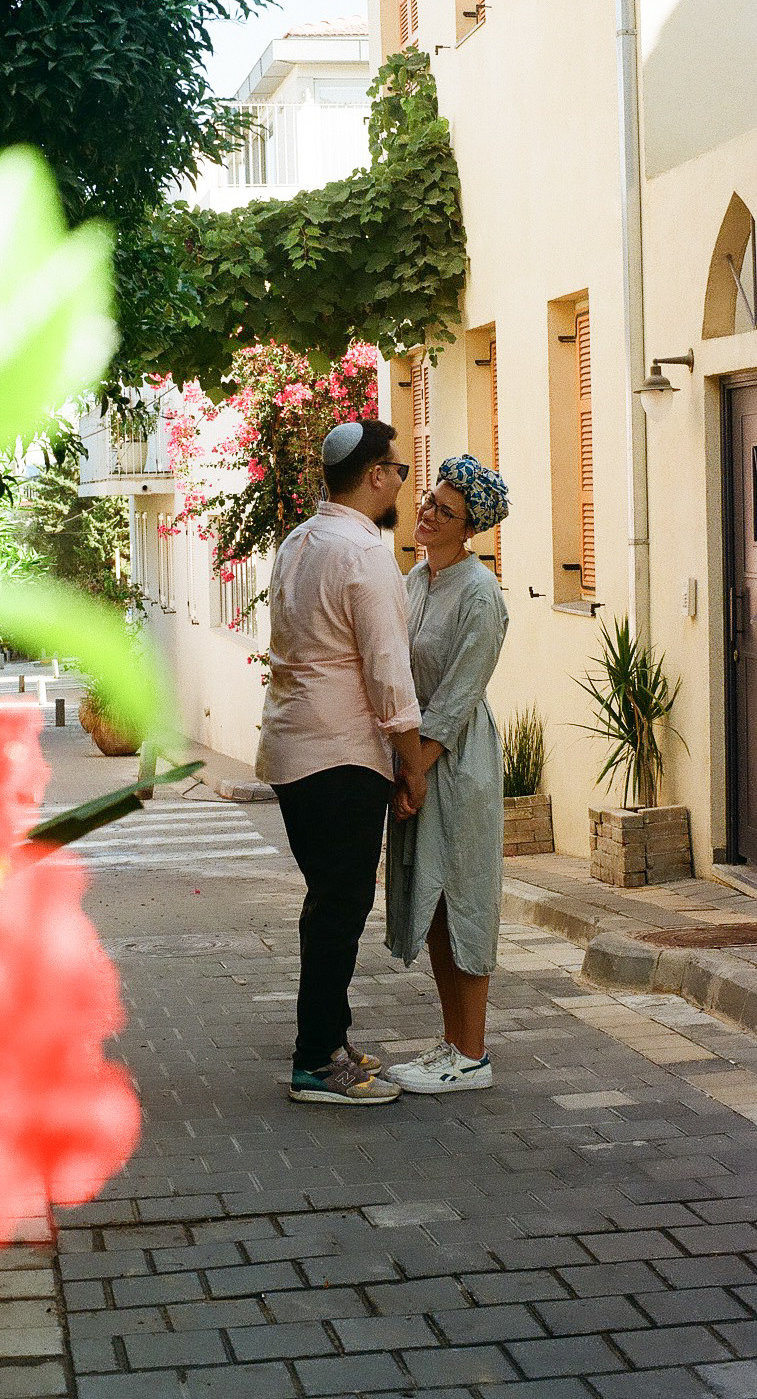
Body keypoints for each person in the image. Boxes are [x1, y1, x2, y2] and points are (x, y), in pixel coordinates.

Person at [256, 418, 428, 1106]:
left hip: (294, 746)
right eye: (399, 471)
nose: (400, 485)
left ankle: (328, 1040)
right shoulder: (361, 552)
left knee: (327, 901)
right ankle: (315, 1062)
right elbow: (388, 671)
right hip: (341, 754)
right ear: (376, 475)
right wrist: (410, 764)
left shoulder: (300, 541)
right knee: (339, 906)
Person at [385, 453, 510, 1094]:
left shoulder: (482, 596)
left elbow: (459, 694)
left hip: (458, 763)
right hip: (415, 758)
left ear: (470, 528)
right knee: (430, 901)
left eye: (445, 510)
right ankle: (451, 1040)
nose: (427, 512)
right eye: (430, 500)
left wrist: (418, 770)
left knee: (464, 896)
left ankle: (474, 1053)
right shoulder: (413, 581)